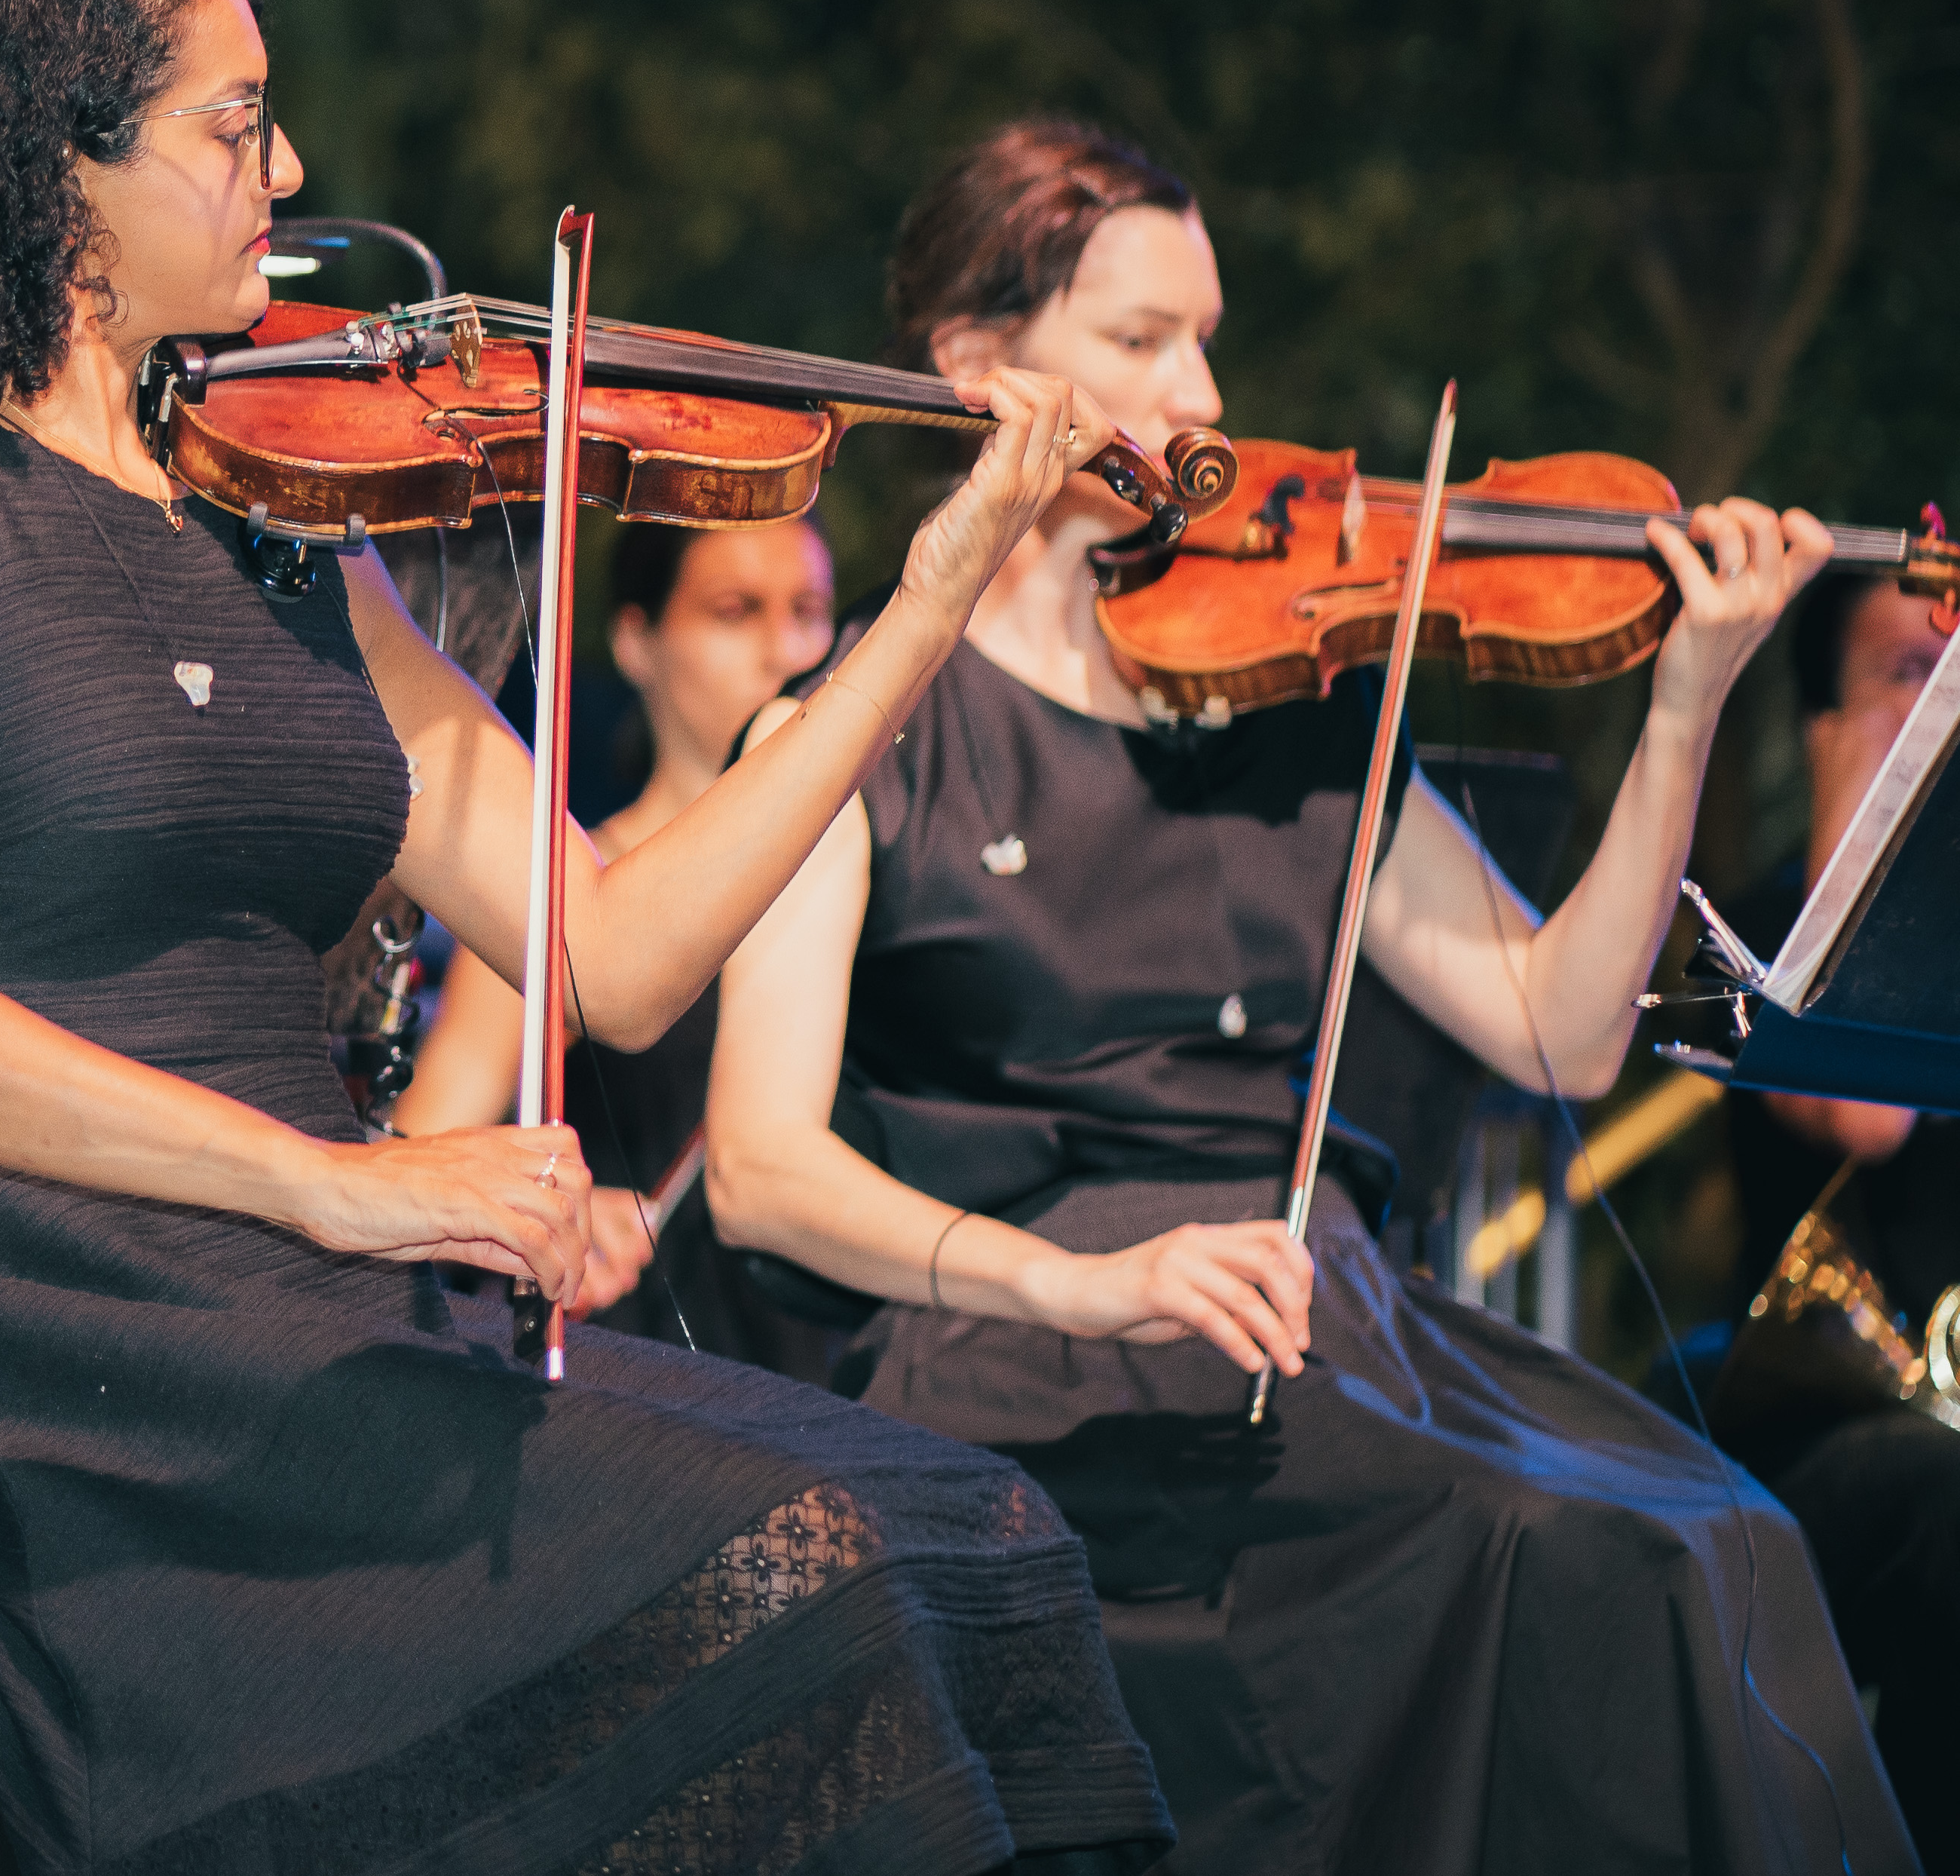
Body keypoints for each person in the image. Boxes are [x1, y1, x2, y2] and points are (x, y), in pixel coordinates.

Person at [0, 0, 1174, 1876]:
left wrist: (930, 594)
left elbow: (620, 954)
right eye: (234, 123)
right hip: (54, 1328)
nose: (287, 166)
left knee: (978, 1530)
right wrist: (328, 1178)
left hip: (313, 1293)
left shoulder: (294, 546)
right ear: (61, 178)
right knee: (818, 1565)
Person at [700, 119, 1908, 1873]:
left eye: (1202, 337)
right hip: (1032, 1348)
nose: (1198, 394)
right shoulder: (852, 735)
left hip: (1315, 1322)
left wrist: (1684, 704)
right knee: (1582, 1561)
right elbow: (758, 1169)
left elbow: (1560, 1029)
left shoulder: (1293, 701)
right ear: (975, 365)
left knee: (1722, 1538)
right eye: (1135, 339)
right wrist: (1077, 1279)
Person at [392, 513, 843, 1376]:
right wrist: (537, 1201)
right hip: (656, 1361)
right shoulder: (569, 895)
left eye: (808, 612)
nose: (783, 651)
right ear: (636, 641)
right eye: (734, 611)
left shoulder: (882, 868)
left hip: (864, 1357)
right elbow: (424, 1145)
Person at [1713, 570, 1958, 1867]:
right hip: (1821, 1437)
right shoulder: (1764, 926)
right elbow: (1864, 1119)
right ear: (1820, 726)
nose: (1943, 705)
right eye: (1905, 675)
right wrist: (1858, 807)